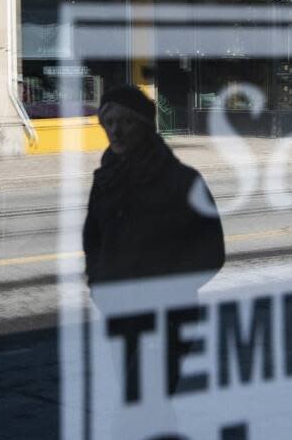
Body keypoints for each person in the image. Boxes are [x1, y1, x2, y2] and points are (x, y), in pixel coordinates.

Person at [83, 84, 225, 304]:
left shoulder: (183, 180)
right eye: (109, 123)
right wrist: (98, 282)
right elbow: (92, 237)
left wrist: (170, 290)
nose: (116, 132)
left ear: (145, 126)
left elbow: (211, 251)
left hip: (170, 313)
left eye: (126, 121)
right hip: (118, 310)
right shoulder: (104, 180)